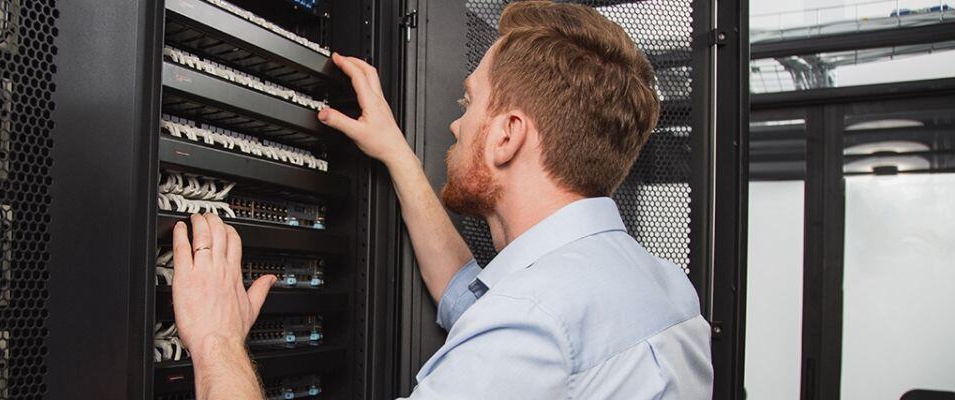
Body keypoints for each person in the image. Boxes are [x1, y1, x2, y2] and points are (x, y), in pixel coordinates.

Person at [168, 2, 713, 399]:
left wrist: (216, 340)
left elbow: (519, 326)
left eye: (469, 100)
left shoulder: (528, 329)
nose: (456, 121)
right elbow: (465, 293)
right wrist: (398, 155)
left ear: (507, 136)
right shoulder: (664, 287)